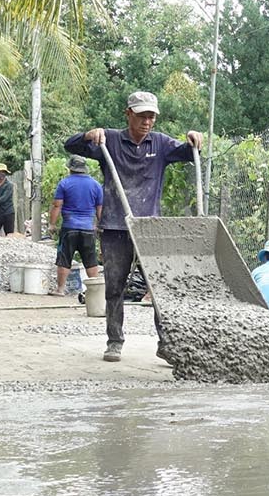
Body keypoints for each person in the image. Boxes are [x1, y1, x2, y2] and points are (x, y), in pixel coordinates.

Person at [66, 91, 203, 362]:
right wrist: (87, 135)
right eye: (141, 115)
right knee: (115, 286)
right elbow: (71, 146)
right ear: (128, 113)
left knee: (159, 286)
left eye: (151, 116)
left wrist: (194, 139)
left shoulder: (161, 144)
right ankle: (114, 341)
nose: (147, 121)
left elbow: (188, 152)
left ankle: (167, 344)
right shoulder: (110, 140)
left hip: (149, 227)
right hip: (116, 226)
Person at [49, 155, 104, 296]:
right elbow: (99, 209)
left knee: (64, 258)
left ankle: (60, 289)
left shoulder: (64, 183)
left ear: (70, 168)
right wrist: (99, 225)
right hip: (88, 229)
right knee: (90, 260)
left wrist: (52, 224)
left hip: (69, 227)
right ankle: (95, 291)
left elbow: (57, 205)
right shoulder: (95, 185)